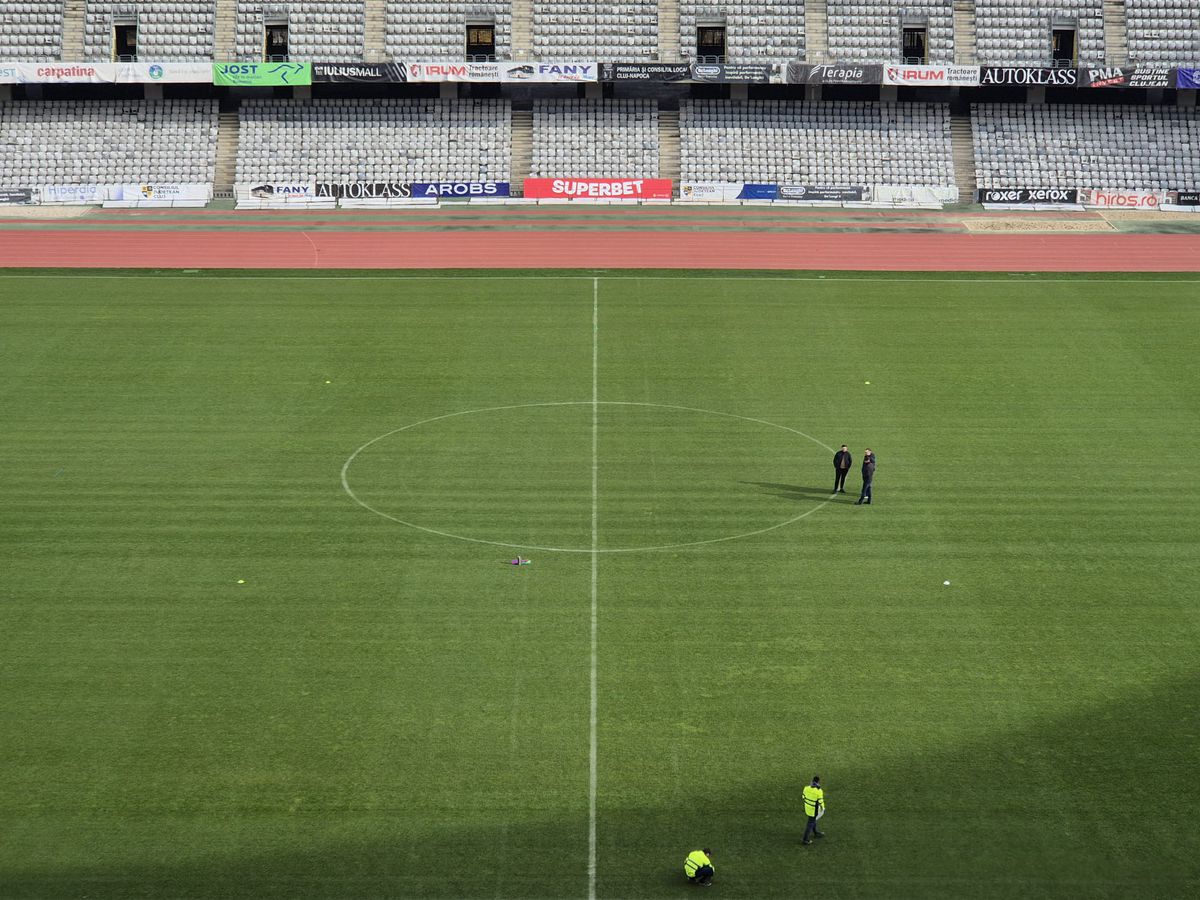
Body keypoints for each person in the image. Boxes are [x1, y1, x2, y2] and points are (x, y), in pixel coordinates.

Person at [802, 776, 826, 845]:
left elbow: (803, 796)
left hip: (807, 808)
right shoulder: (819, 791)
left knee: (813, 820)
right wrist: (823, 809)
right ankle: (805, 839)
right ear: (818, 782)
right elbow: (821, 802)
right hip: (814, 810)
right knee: (810, 824)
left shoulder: (806, 788)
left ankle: (816, 832)